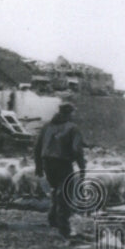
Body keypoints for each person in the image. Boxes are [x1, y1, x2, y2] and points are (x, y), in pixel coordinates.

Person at [33, 101, 86, 240]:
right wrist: (82, 168)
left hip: (47, 164)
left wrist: (38, 166)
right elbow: (77, 150)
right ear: (70, 113)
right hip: (63, 163)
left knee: (56, 190)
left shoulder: (47, 127)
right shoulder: (73, 128)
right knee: (65, 195)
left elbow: (37, 147)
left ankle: (53, 220)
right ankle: (64, 229)